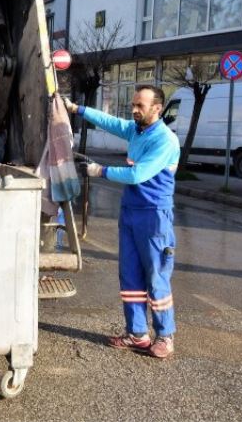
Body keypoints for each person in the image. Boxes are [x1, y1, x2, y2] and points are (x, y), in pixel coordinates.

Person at [65, 85, 179, 359]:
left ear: (157, 109)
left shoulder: (164, 140)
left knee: (156, 275)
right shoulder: (136, 130)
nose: (134, 109)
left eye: (140, 105)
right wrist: (76, 109)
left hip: (153, 215)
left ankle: (165, 335)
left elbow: (138, 175)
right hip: (131, 211)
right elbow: (110, 122)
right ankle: (137, 334)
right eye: (133, 105)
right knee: (130, 275)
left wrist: (100, 170)